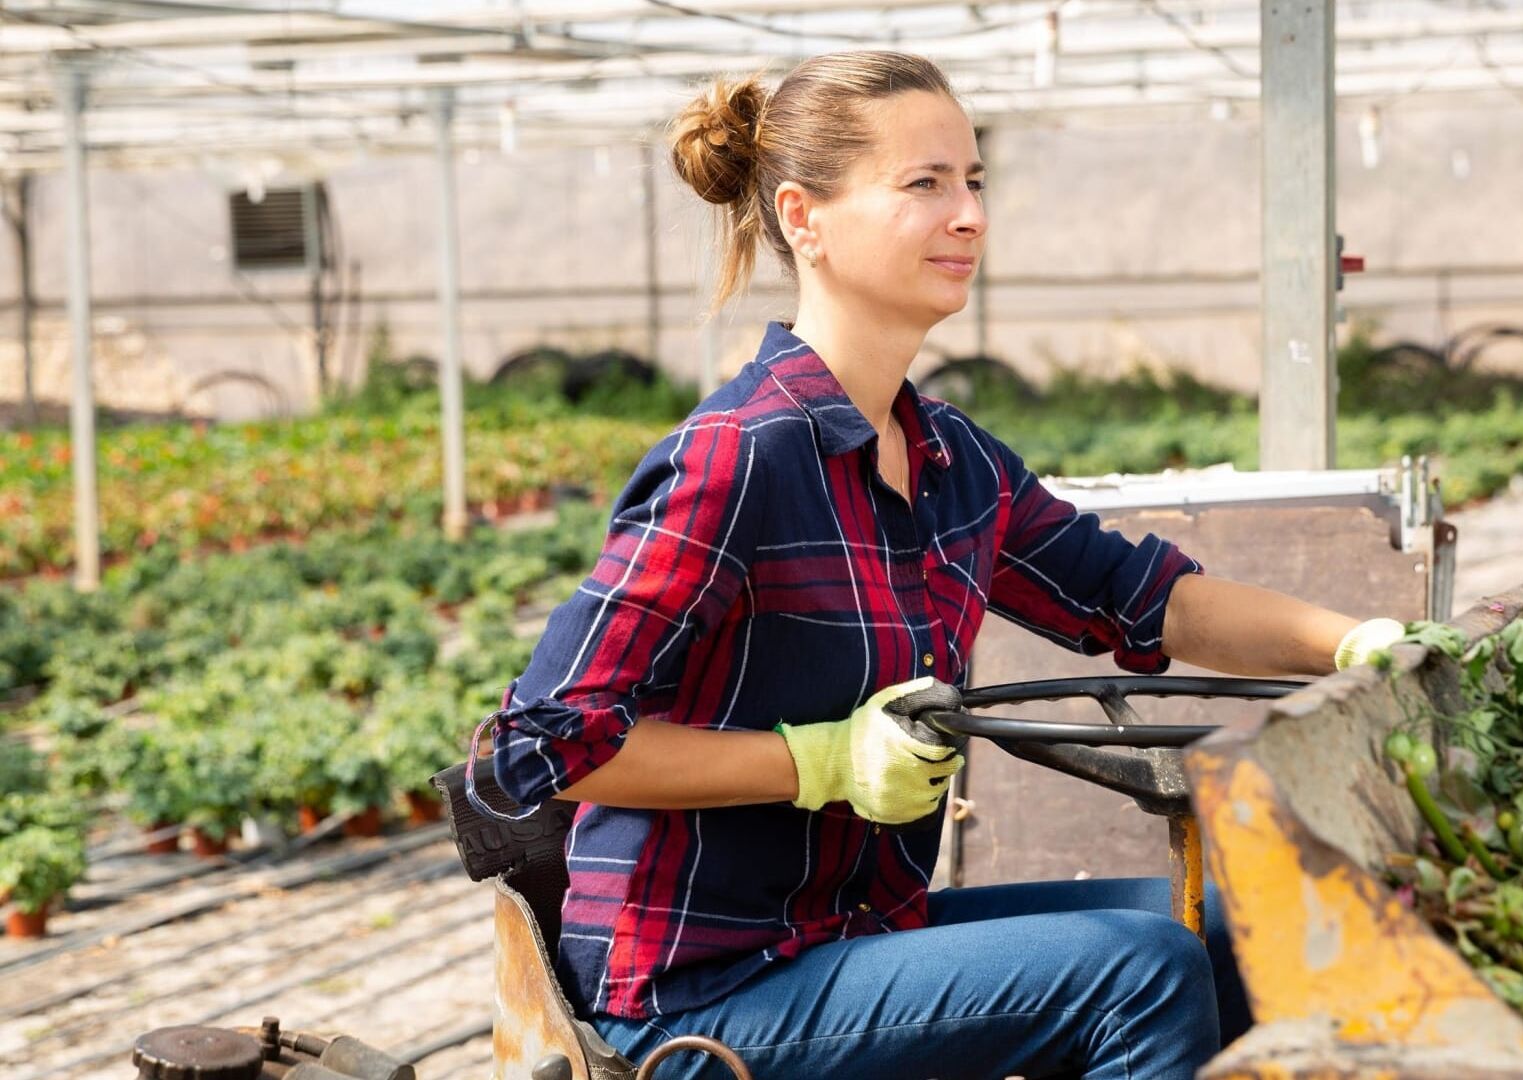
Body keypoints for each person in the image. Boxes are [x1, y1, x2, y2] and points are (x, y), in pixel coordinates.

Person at [485, 50, 1407, 1080]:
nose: (969, 215)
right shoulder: (741, 456)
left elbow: (1148, 601)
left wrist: (1363, 644)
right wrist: (819, 763)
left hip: (855, 935)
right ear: (804, 218)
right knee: (1139, 973)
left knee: (1242, 927)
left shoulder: (950, 461)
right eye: (924, 184)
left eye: (974, 181)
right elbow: (543, 744)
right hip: (697, 992)